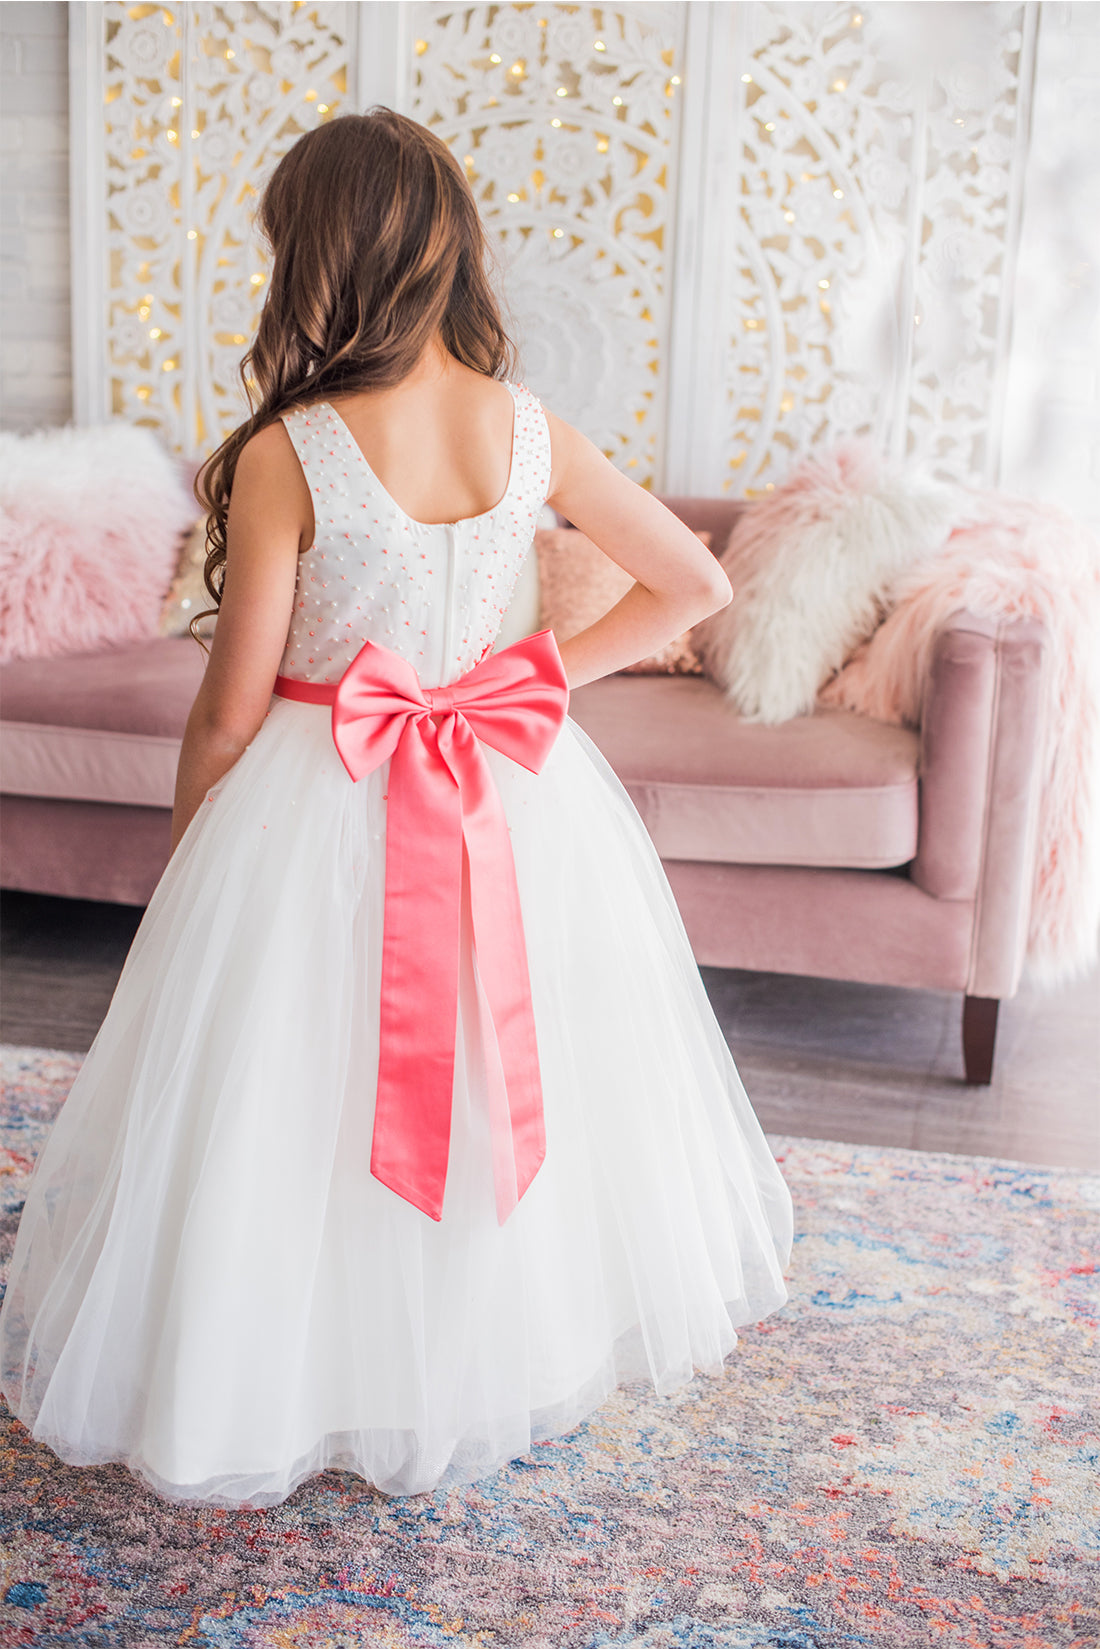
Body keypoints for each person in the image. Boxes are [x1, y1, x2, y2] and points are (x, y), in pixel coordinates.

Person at [0, 108, 792, 1509]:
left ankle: (294, 1359)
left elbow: (233, 708)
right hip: (510, 791)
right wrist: (528, 674)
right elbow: (694, 584)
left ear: (319, 260)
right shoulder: (525, 425)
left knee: (291, 1077)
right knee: (496, 1069)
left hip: (324, 791)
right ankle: (479, 1340)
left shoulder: (291, 451)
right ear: (445, 253)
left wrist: (193, 856)